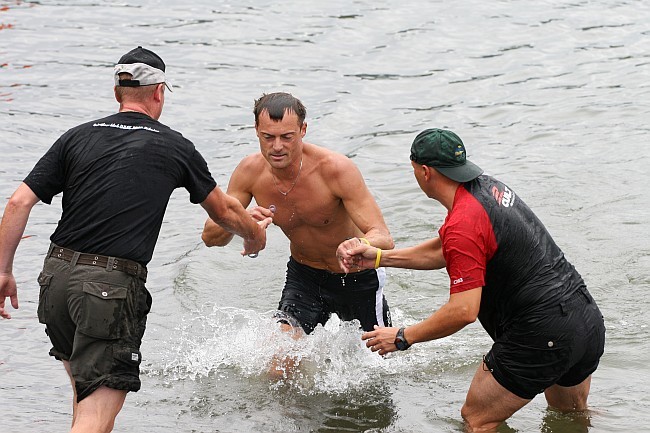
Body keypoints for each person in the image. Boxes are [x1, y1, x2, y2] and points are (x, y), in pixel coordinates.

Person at [0, 46, 270, 433]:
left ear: (117, 92)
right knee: (96, 412)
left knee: (87, 397)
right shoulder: (174, 146)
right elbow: (224, 212)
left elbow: (18, 201)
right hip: (107, 288)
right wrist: (255, 235)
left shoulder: (76, 137)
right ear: (159, 92)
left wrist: (4, 271)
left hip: (55, 278)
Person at [339, 128, 605, 432]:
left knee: (478, 420)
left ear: (424, 172)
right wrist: (378, 258)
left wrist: (402, 336)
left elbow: (464, 311)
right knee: (569, 417)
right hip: (584, 320)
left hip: (541, 334)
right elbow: (445, 249)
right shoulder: (487, 189)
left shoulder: (464, 223)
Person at [201, 92, 394, 341]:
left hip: (356, 276)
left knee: (384, 362)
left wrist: (359, 244)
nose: (277, 146)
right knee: (280, 361)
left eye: (287, 137)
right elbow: (210, 237)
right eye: (268, 137)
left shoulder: (335, 169)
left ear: (303, 130)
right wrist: (241, 221)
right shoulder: (249, 172)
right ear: (256, 130)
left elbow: (383, 237)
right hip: (305, 277)